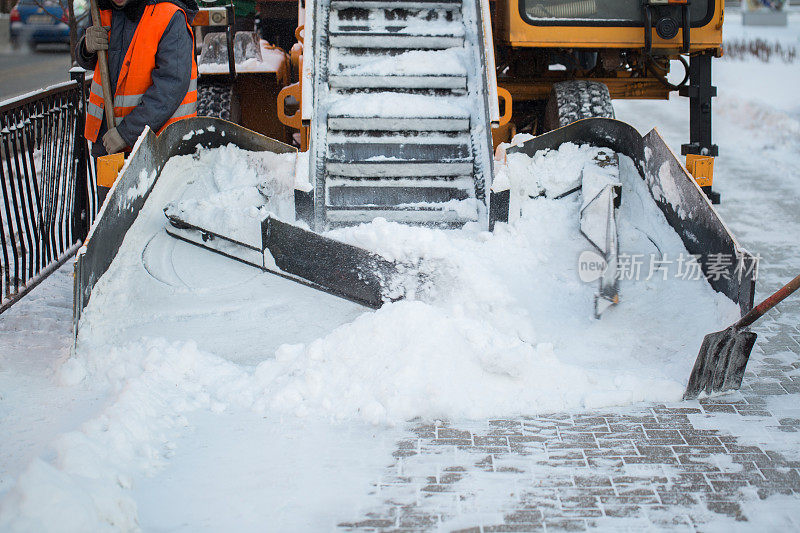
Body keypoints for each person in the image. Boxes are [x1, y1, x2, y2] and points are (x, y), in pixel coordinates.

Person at [76, 0, 199, 158]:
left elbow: (171, 85)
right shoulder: (103, 11)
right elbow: (100, 63)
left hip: (159, 149)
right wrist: (86, 48)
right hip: (109, 143)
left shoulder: (168, 15)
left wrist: (126, 133)